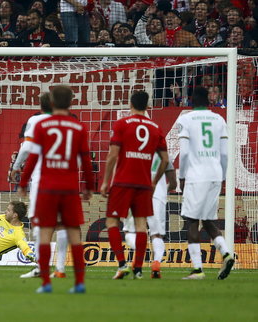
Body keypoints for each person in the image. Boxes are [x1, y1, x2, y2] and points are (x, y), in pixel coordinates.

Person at [18, 85, 94, 294]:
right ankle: (79, 283)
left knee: (43, 234)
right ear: (71, 103)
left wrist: (23, 183)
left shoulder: (43, 125)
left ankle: (45, 283)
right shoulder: (78, 127)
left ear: (51, 103)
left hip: (47, 188)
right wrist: (89, 186)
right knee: (74, 235)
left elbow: (33, 157)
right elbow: (86, 160)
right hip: (69, 188)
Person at [100, 90, 169, 280]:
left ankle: (122, 264)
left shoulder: (122, 124)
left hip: (123, 182)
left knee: (112, 222)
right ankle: (138, 269)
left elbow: (113, 155)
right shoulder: (155, 127)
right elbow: (164, 159)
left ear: (130, 104)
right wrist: (154, 181)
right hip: (144, 184)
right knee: (141, 225)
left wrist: (106, 181)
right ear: (148, 106)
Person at [176, 86, 235, 280]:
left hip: (196, 175)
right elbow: (225, 154)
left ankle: (197, 269)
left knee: (192, 221)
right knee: (208, 220)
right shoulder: (219, 119)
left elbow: (184, 153)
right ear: (209, 101)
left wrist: (182, 176)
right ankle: (226, 253)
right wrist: (223, 176)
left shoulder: (186, 119)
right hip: (215, 175)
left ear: (192, 100)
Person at [10, 92, 69, 280]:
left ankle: (40, 267)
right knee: (60, 225)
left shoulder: (36, 121)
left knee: (39, 223)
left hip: (42, 179)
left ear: (41, 105)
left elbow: (27, 148)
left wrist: (16, 167)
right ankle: (60, 268)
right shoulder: (65, 123)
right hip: (63, 177)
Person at [123, 153, 176, 279]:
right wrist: (164, 190)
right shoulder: (163, 153)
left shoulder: (133, 149)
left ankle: (139, 251)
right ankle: (156, 263)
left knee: (130, 230)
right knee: (157, 234)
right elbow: (173, 183)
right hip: (157, 194)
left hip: (136, 190)